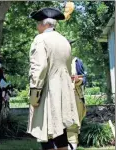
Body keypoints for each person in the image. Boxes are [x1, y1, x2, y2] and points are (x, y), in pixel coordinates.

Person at [27, 8, 80, 150]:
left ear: (44, 24)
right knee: (61, 131)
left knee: (44, 130)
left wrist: (35, 92)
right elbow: (68, 69)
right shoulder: (64, 40)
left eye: (38, 23)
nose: (37, 27)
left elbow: (39, 67)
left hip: (47, 90)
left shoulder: (40, 39)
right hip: (64, 92)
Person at [67, 40, 87, 150]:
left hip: (74, 97)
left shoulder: (76, 62)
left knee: (73, 127)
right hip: (56, 98)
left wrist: (77, 80)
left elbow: (84, 78)